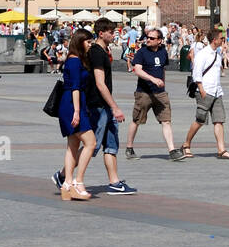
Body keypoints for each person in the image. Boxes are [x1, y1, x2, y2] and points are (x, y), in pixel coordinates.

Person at [83, 18, 136, 194]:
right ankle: (64, 175)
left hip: (104, 106)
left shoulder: (102, 51)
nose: (114, 35)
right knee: (92, 145)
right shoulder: (97, 52)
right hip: (98, 106)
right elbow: (100, 83)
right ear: (101, 33)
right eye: (111, 32)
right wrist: (114, 107)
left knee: (111, 144)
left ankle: (114, 182)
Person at [125, 27, 185, 162]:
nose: (148, 40)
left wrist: (162, 82)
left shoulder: (163, 52)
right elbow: (137, 70)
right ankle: (129, 147)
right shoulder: (141, 52)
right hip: (144, 93)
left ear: (159, 40)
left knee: (166, 121)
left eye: (152, 38)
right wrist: (153, 79)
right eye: (147, 37)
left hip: (160, 93)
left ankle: (172, 150)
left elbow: (162, 69)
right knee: (136, 120)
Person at [182, 26, 229, 159]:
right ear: (214, 40)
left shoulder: (217, 54)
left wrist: (227, 56)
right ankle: (186, 144)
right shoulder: (203, 54)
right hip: (205, 90)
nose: (223, 41)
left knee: (219, 120)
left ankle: (221, 150)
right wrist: (201, 90)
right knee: (200, 120)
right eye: (221, 39)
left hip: (217, 91)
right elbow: (196, 73)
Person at [56, 29, 96, 200]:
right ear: (80, 42)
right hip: (72, 105)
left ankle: (67, 185)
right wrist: (77, 112)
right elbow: (75, 88)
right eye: (88, 42)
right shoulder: (75, 61)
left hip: (69, 104)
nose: (90, 44)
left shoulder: (73, 60)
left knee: (72, 145)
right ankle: (78, 182)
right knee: (91, 143)